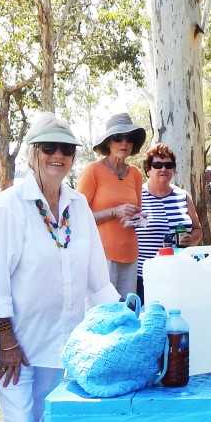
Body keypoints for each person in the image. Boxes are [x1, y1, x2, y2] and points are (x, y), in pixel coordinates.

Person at [0, 113, 119, 422]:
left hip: (63, 344)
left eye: (67, 150)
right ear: (32, 153)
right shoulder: (6, 207)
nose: (58, 156)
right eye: (49, 148)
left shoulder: (78, 205)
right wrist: (7, 340)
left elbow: (98, 279)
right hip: (18, 347)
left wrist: (118, 326)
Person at [78, 113, 146, 296]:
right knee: (104, 310)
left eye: (129, 139)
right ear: (108, 142)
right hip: (101, 257)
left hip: (130, 256)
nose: (124, 143)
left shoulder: (135, 174)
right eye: (118, 138)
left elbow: (137, 213)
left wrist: (139, 219)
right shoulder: (93, 171)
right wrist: (114, 212)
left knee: (127, 310)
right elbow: (77, 218)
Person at [134, 143, 203, 302]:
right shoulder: (137, 196)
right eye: (157, 165)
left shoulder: (183, 196)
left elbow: (197, 229)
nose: (163, 169)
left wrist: (191, 239)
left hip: (179, 274)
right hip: (145, 275)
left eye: (168, 165)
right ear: (148, 169)